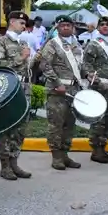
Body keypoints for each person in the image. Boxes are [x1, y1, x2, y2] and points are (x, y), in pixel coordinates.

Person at [0, 11, 33, 180]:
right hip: (8, 89)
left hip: (23, 87)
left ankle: (15, 161)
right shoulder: (0, 42)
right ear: (12, 22)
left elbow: (26, 66)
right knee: (6, 127)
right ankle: (5, 165)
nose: (24, 26)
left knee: (20, 127)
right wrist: (21, 57)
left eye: (24, 24)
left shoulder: (22, 42)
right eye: (21, 23)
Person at [39, 15, 84, 170]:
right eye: (62, 25)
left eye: (68, 25)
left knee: (69, 124)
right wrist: (57, 83)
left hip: (74, 90)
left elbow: (80, 66)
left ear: (72, 27)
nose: (66, 27)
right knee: (56, 125)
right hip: (57, 91)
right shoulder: (53, 44)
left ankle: (65, 154)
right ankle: (56, 157)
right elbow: (44, 65)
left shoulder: (77, 45)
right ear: (58, 28)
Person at [80, 15, 108, 164]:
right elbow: (86, 66)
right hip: (100, 87)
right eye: (102, 24)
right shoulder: (94, 44)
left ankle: (103, 148)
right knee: (99, 119)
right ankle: (96, 150)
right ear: (98, 28)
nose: (105, 26)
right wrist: (96, 81)